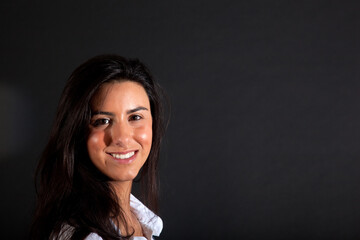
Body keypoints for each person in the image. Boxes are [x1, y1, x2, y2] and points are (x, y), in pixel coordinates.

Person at [30, 55, 167, 240]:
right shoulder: (84, 235)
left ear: (153, 123)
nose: (122, 138)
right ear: (77, 132)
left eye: (135, 117)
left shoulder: (139, 219)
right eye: (103, 121)